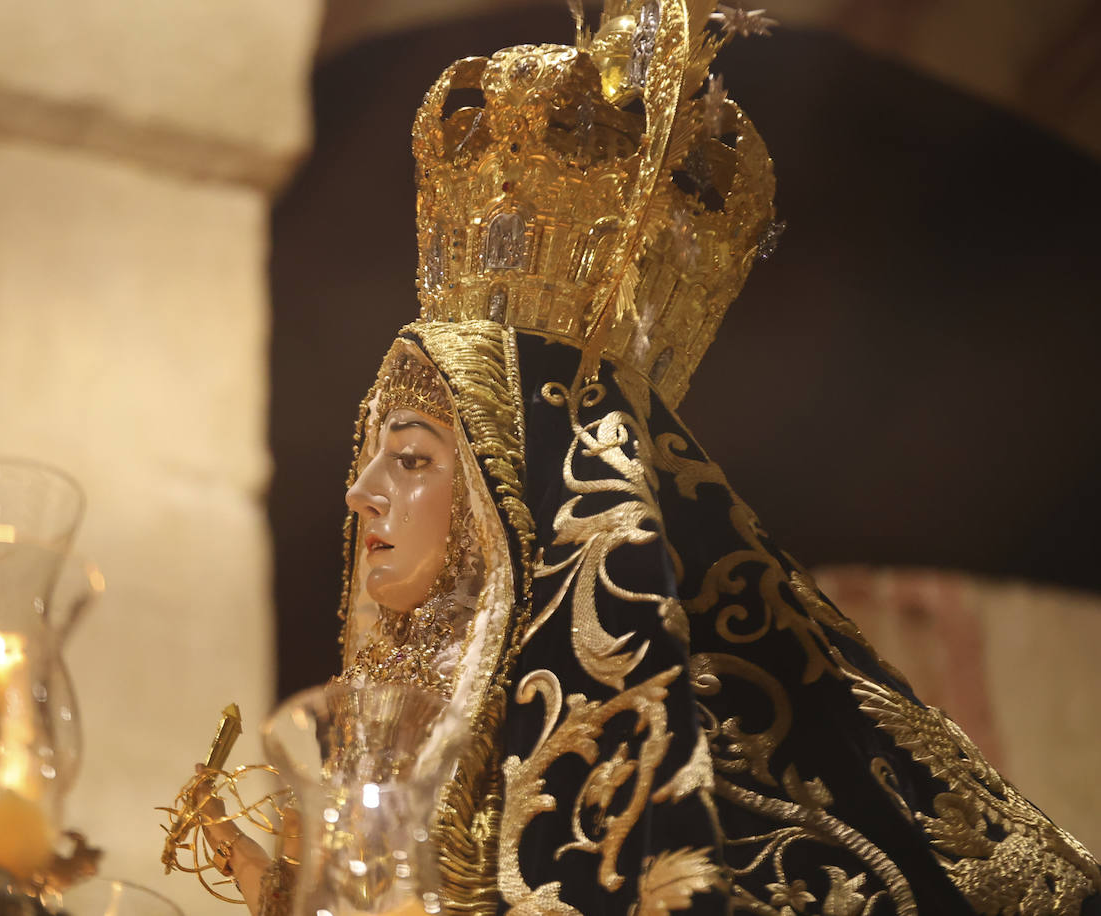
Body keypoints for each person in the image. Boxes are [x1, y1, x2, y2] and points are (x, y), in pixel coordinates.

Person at [199, 1, 1101, 913]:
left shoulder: (744, 835)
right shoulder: (432, 766)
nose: (359, 494)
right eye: (373, 456)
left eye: (414, 460)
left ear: (517, 498)